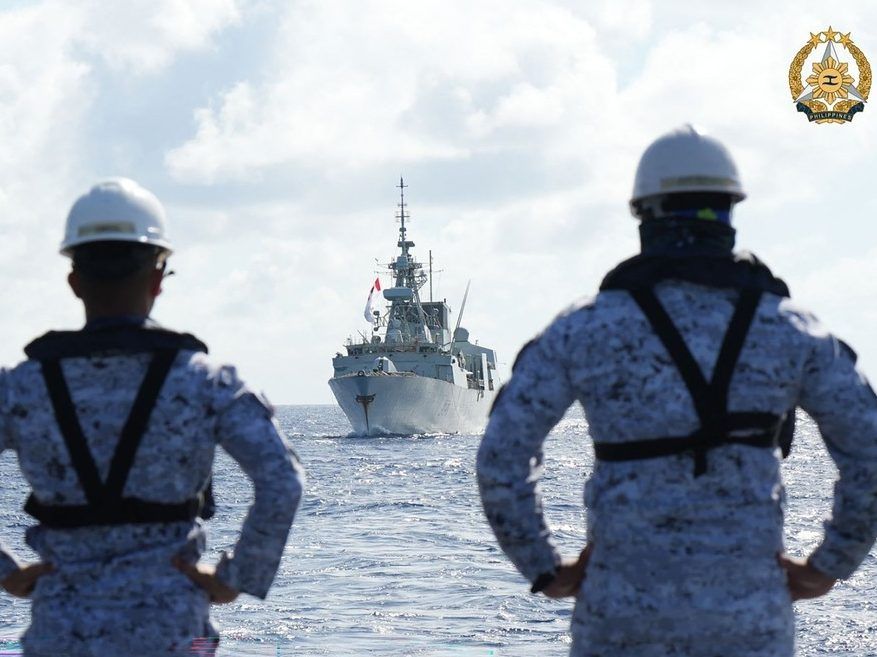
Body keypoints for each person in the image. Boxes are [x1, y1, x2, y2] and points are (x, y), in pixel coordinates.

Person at [476, 125, 877, 657]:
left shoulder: (583, 331)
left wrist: (546, 568)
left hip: (617, 625)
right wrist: (831, 566)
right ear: (729, 212)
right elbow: (870, 454)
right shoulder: (793, 332)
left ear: (644, 215)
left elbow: (502, 459)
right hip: (750, 625)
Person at [0, 178, 305, 656]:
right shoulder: (206, 383)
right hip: (173, 632)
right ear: (158, 279)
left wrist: (8, 573)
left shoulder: (19, 388)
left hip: (60, 634)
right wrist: (236, 578)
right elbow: (281, 479)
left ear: (74, 280)